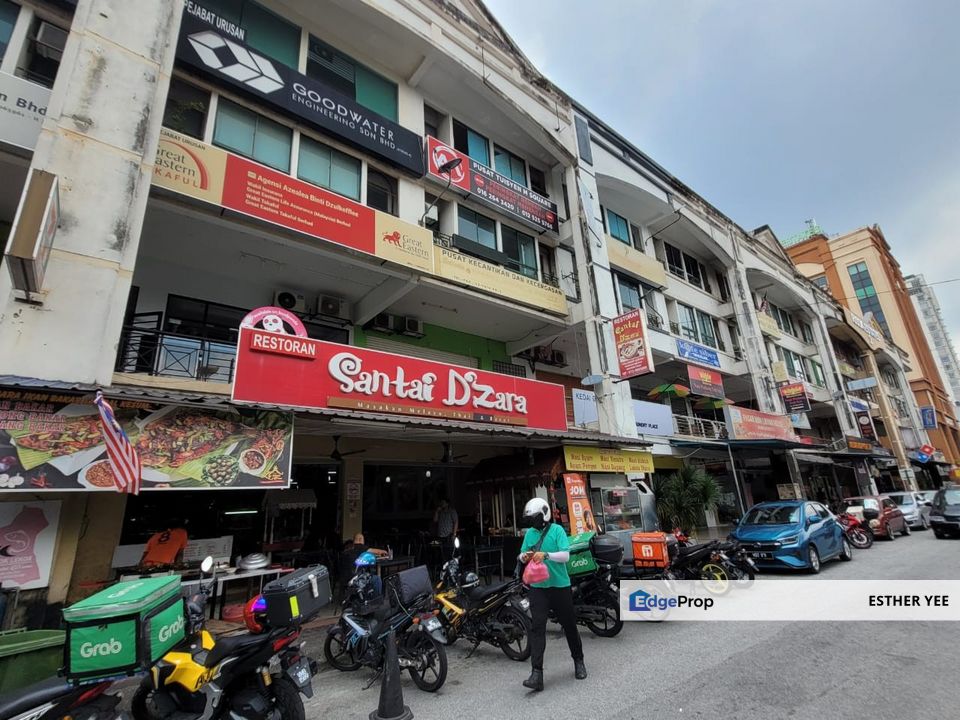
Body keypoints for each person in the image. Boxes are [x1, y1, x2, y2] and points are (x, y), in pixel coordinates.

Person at [518, 498, 585, 691]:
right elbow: (521, 554)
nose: (533, 522)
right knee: (537, 627)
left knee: (569, 625)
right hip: (538, 588)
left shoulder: (557, 531)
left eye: (535, 517)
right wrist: (524, 556)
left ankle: (578, 661)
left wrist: (546, 555)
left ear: (544, 514)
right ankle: (536, 673)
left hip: (559, 586)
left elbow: (565, 555)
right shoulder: (530, 534)